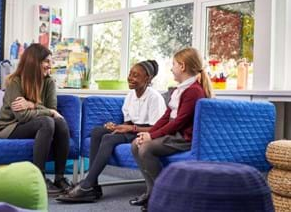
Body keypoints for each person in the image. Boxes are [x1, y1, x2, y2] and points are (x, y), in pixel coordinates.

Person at [56, 60, 167, 203]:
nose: (130, 78)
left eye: (136, 75)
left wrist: (130, 128)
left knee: (109, 139)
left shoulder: (154, 97)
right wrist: (116, 127)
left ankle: (86, 185)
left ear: (148, 78)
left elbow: (157, 128)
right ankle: (93, 185)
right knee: (97, 131)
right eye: (130, 74)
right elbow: (128, 122)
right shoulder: (130, 96)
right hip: (133, 129)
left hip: (147, 133)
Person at [130, 47, 214, 211]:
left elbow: (179, 122)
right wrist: (149, 133)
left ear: (182, 66)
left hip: (184, 137)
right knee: (135, 144)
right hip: (175, 134)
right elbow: (166, 116)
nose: (171, 68)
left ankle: (165, 194)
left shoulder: (194, 91)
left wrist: (152, 136)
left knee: (145, 148)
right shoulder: (179, 89)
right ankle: (151, 192)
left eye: (173, 64)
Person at [0, 43, 72, 195]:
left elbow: (53, 111)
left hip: (31, 123)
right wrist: (44, 110)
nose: (50, 65)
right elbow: (22, 116)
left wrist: (32, 105)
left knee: (60, 122)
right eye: (47, 61)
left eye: (51, 61)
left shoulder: (49, 82)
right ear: (34, 62)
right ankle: (38, 178)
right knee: (47, 121)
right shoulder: (15, 82)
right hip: (8, 127)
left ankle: (60, 178)